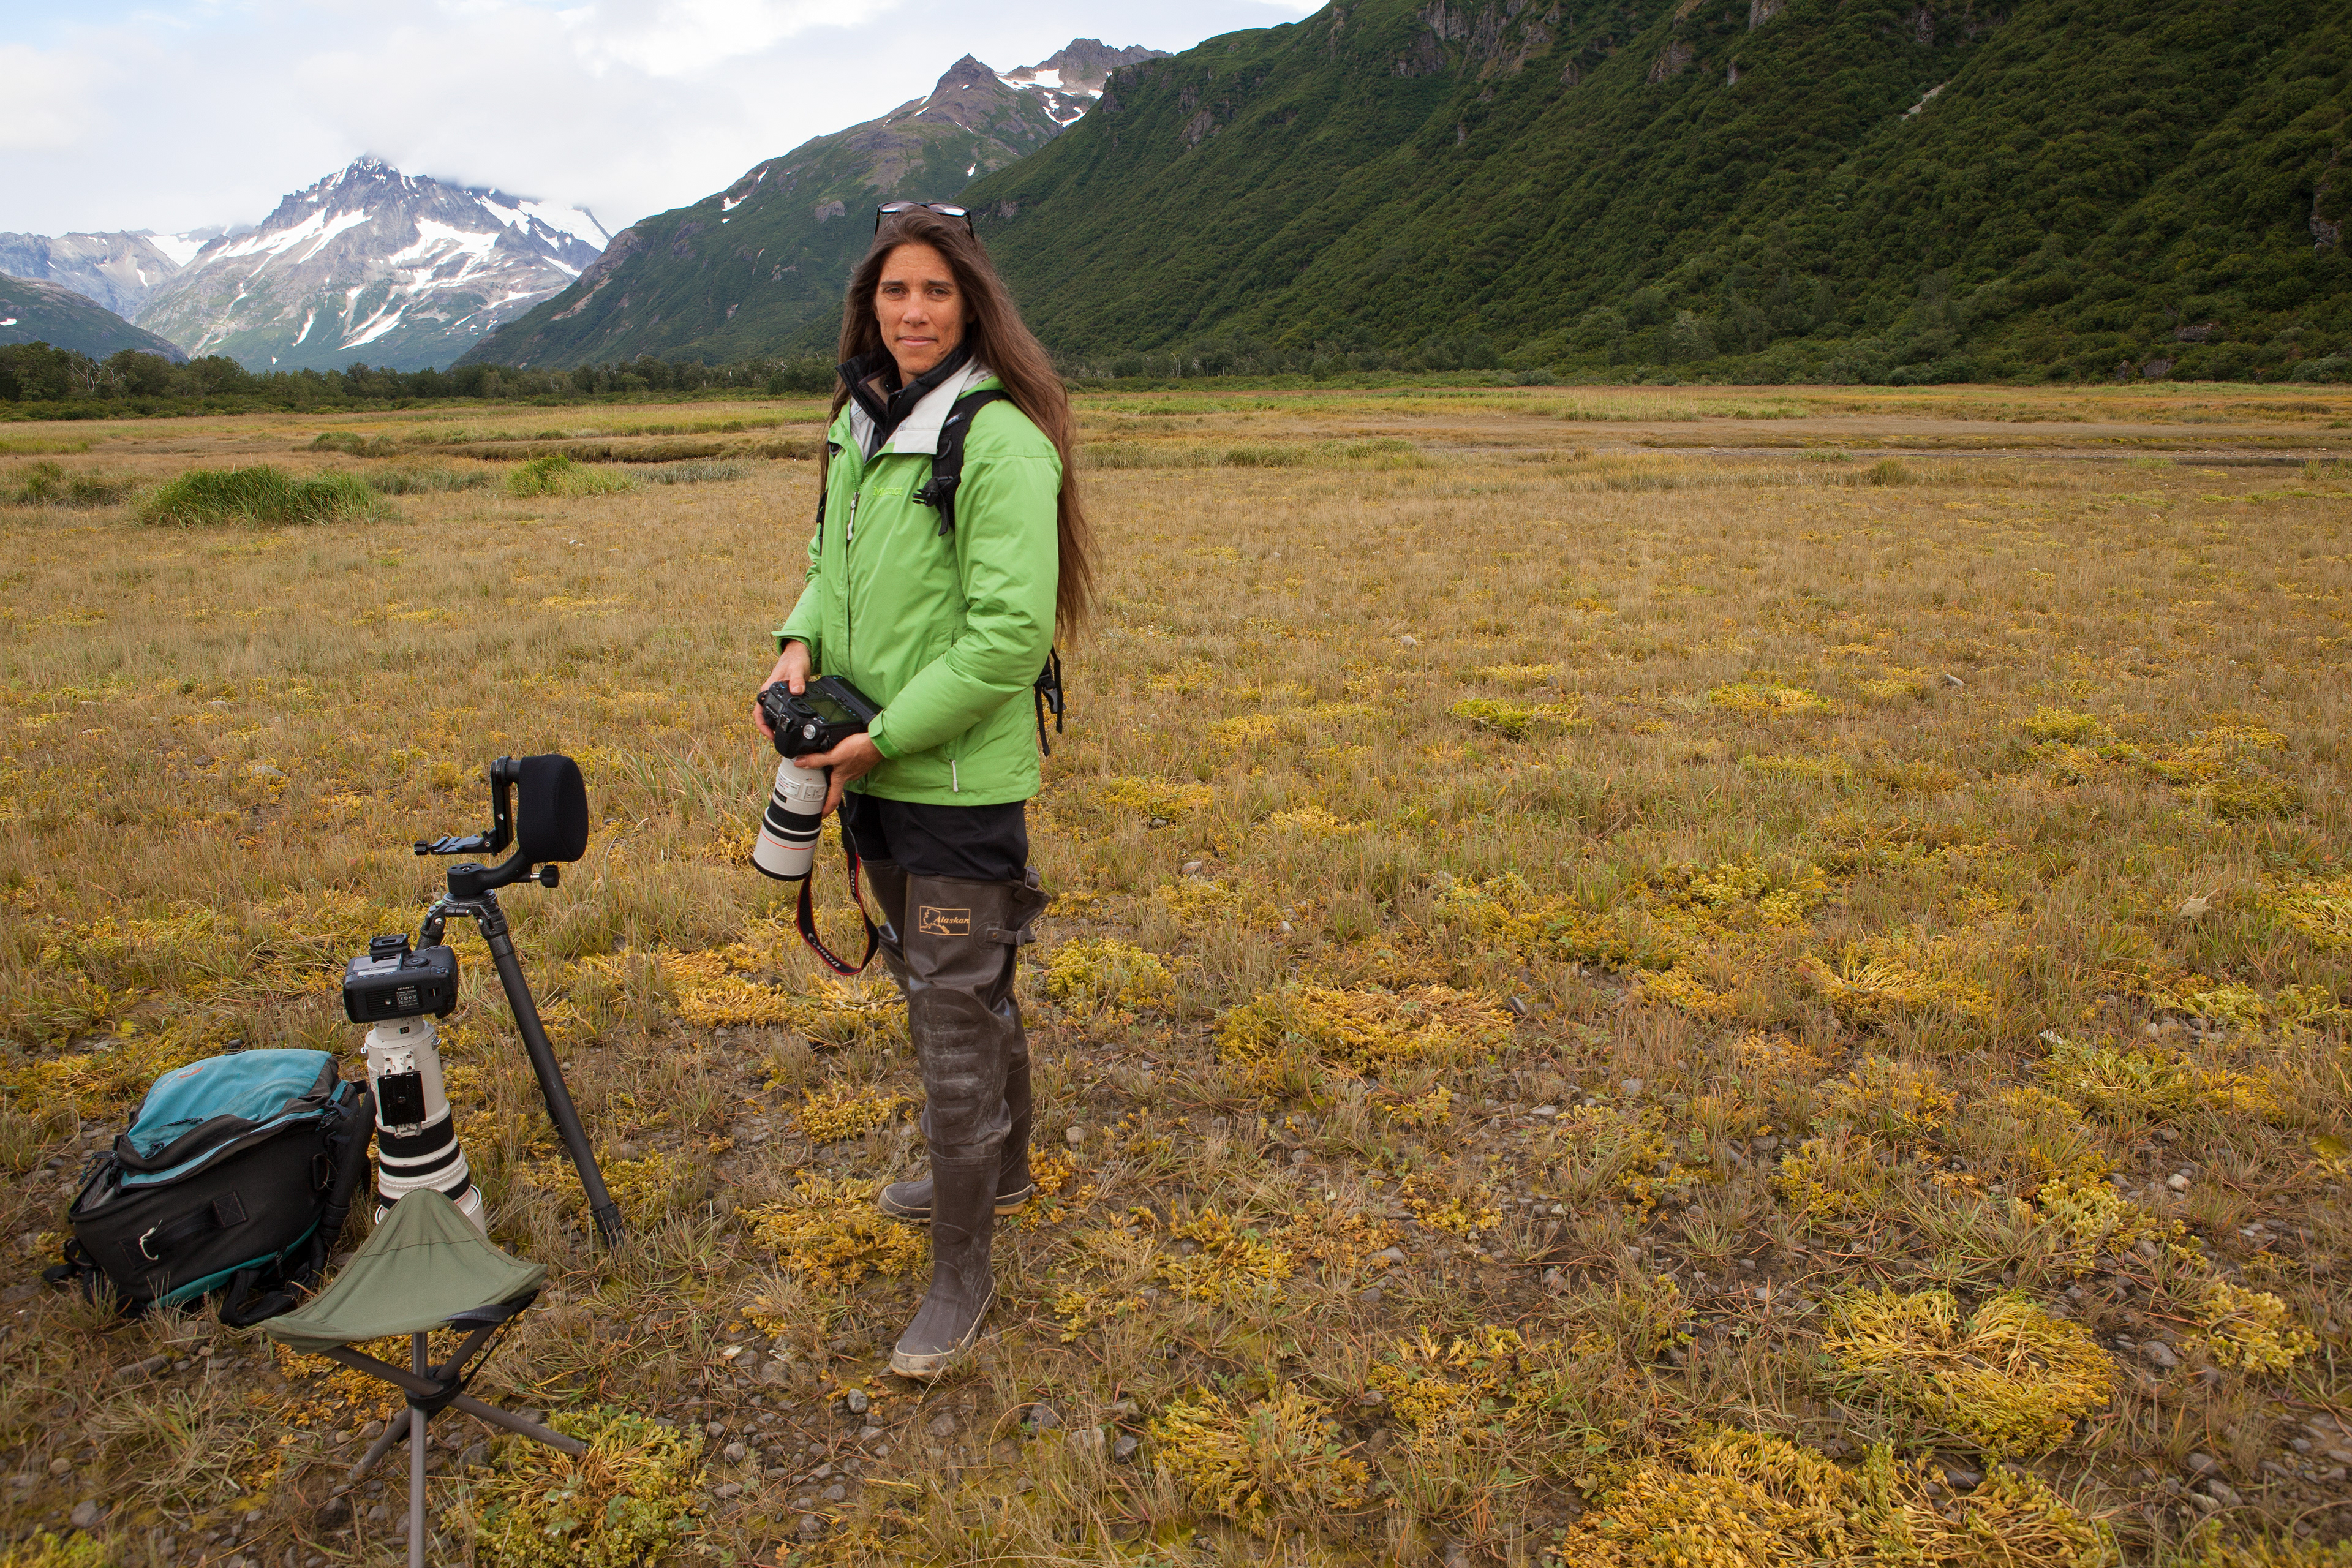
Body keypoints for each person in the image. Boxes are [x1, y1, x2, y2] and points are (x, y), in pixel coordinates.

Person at [755, 202, 1091, 1381]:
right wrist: (798, 647)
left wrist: (882, 735)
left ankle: (963, 1271)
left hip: (945, 777)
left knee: (950, 1014)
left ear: (973, 305)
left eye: (935, 294)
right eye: (895, 293)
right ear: (870, 304)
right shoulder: (861, 421)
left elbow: (1007, 638)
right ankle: (1001, 1166)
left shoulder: (999, 440)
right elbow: (824, 568)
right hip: (872, 765)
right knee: (946, 979)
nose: (912, 313)